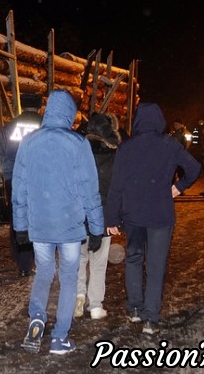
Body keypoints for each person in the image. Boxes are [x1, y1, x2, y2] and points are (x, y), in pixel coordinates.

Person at [12, 90, 104, 355]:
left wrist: (21, 226)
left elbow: (19, 189)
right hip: (70, 227)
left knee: (43, 272)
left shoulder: (28, 143)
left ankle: (37, 318)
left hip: (39, 225)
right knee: (68, 277)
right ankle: (60, 338)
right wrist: (96, 228)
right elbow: (89, 189)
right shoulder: (78, 143)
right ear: (69, 115)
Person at [105, 103, 201, 335]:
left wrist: (112, 218)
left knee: (134, 259)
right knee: (156, 266)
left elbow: (115, 187)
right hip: (160, 215)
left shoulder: (125, 148)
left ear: (137, 121)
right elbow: (194, 168)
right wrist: (178, 187)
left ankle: (135, 308)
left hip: (133, 215)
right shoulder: (169, 145)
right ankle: (151, 317)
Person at [0, 93, 43, 277]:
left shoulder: (10, 127)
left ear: (22, 107)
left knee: (19, 218)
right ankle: (40, 261)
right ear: (40, 107)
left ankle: (24, 265)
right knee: (39, 219)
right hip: (39, 179)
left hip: (14, 179)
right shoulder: (46, 126)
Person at [75, 113, 121, 320]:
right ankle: (95, 306)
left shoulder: (77, 152)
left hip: (78, 215)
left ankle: (78, 296)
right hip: (103, 216)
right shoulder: (115, 155)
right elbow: (117, 189)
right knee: (98, 262)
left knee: (79, 258)